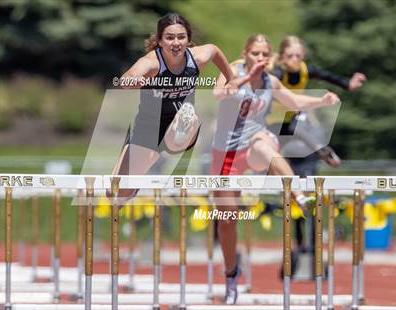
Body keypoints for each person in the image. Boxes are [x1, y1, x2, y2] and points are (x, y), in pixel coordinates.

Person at [211, 34, 339, 304]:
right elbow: (218, 93)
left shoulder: (272, 80)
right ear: (245, 53)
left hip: (254, 145)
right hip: (226, 154)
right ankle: (231, 273)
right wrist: (243, 80)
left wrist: (322, 101)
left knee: (265, 145)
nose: (260, 59)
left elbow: (294, 102)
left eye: (265, 55)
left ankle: (297, 194)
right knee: (227, 220)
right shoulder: (232, 71)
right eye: (255, 54)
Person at [109, 12, 242, 200]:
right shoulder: (151, 63)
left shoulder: (198, 57)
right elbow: (128, 78)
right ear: (160, 41)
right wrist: (131, 81)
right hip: (148, 129)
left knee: (183, 120)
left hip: (183, 129)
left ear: (188, 40)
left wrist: (231, 79)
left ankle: (184, 121)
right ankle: (131, 190)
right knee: (115, 192)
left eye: (181, 37)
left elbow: (214, 50)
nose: (176, 42)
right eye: (169, 38)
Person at [267, 36, 366, 272]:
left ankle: (322, 149)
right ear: (282, 57)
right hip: (268, 122)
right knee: (293, 130)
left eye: (298, 56)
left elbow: (326, 76)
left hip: (289, 123)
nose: (294, 60)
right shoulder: (277, 73)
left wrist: (348, 84)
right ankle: (321, 148)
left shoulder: (304, 70)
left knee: (298, 125)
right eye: (290, 56)